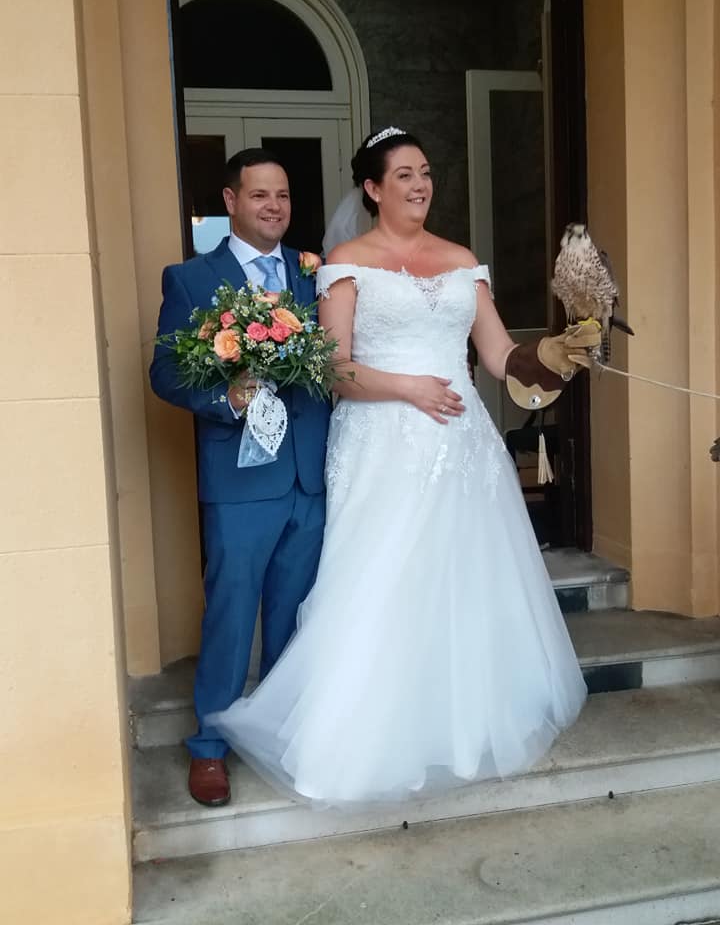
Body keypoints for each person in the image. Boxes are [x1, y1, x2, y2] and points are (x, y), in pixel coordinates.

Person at [206, 128, 600, 806]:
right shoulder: (346, 261)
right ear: (373, 188)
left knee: (462, 583)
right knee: (381, 581)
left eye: (426, 173)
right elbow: (332, 368)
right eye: (405, 175)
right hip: (381, 443)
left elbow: (500, 356)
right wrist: (407, 387)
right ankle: (363, 736)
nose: (421, 185)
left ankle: (455, 726)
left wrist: (557, 353)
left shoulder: (461, 260)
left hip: (462, 446)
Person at [150, 148, 331, 807]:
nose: (274, 206)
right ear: (231, 201)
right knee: (231, 614)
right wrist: (226, 398)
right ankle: (210, 746)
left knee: (295, 615)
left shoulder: (314, 273)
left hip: (308, 477)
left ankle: (279, 735)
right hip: (239, 481)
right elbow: (165, 374)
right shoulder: (192, 279)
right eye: (260, 195)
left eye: (282, 195)